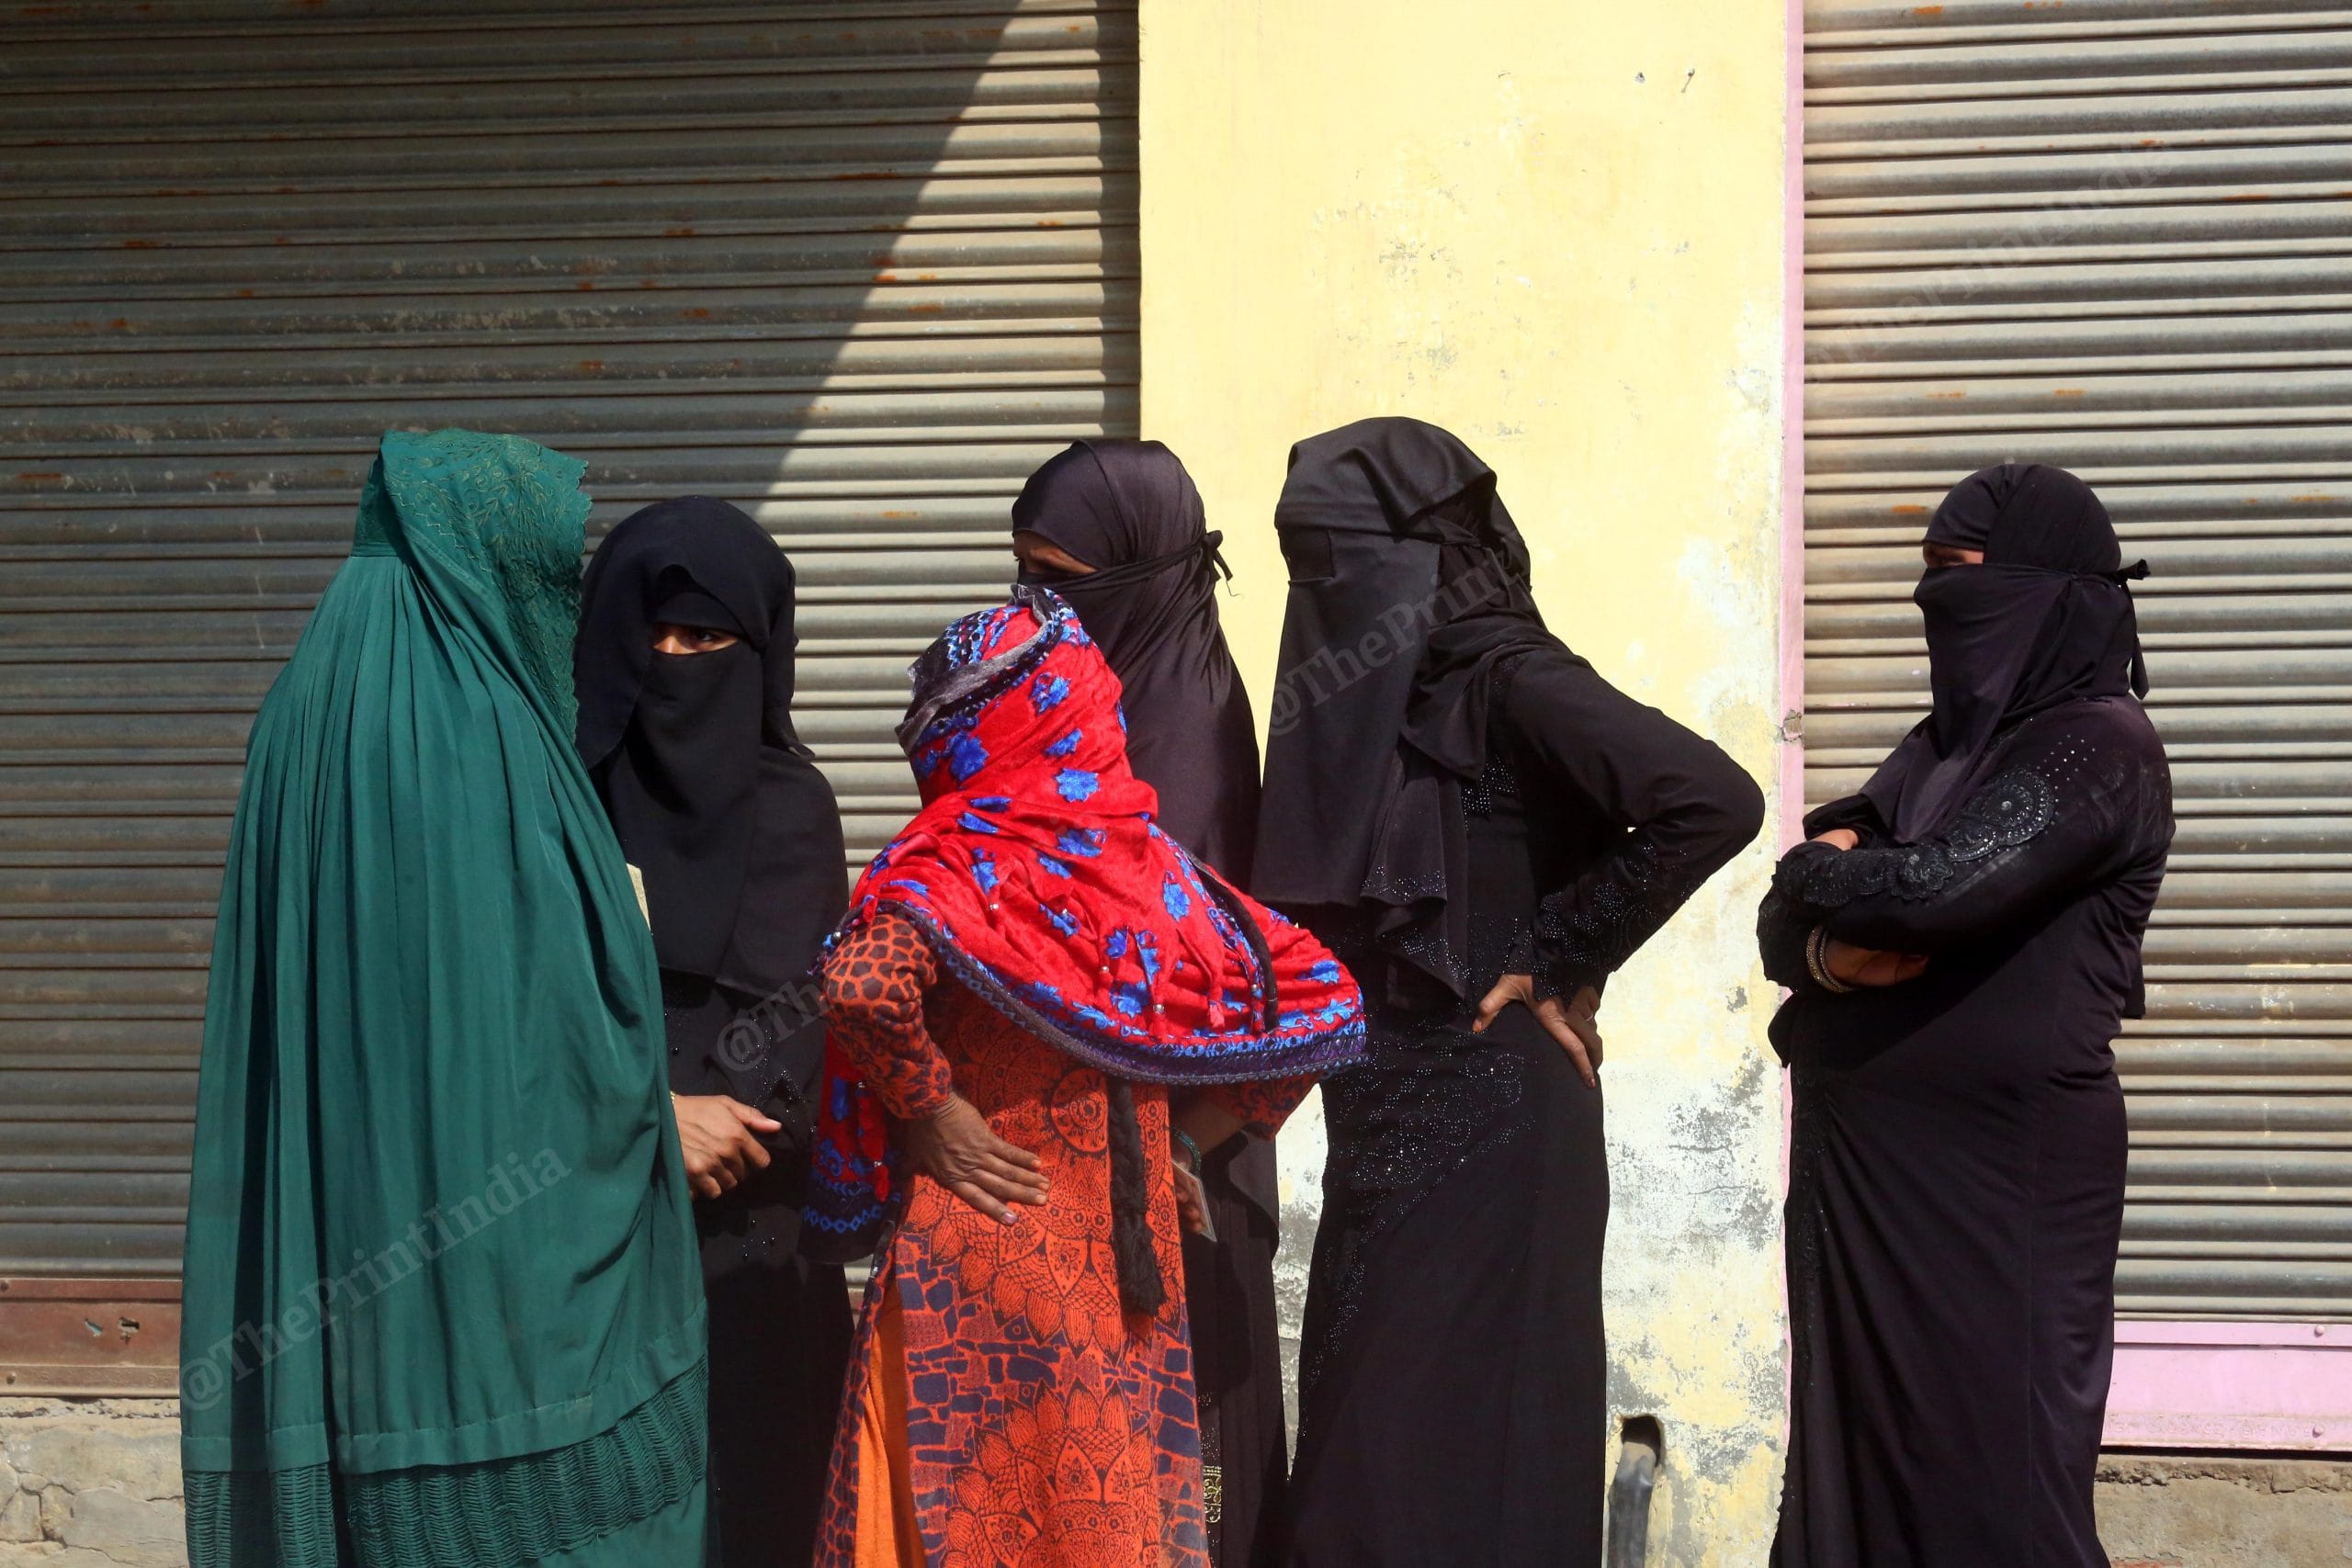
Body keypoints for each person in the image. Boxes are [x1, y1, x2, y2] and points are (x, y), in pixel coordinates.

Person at [180, 430, 707, 1567]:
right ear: (484, 561)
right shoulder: (484, 730)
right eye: (549, 571)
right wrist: (658, 1103)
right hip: (496, 1291)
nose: (557, 604)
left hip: (349, 1250)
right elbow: (561, 1024)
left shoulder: (302, 707)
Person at [1251, 417, 1765, 1565]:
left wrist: (1561, 952)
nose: (1316, 590)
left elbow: (1713, 800)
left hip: (1496, 1121)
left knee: (1464, 1467)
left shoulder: (1506, 678)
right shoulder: (1361, 707)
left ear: (1419, 555)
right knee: (1362, 1469)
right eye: (1298, 560)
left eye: (1335, 557)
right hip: (1382, 1120)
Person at [802, 585, 1369, 1566]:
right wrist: (1182, 1139)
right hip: (1115, 1271)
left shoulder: (951, 857)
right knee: (1096, 1524)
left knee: (962, 1520)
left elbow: (857, 982)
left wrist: (928, 1109)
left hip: (978, 1243)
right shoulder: (1152, 875)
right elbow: (1325, 1002)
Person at [1758, 463, 2172, 1567]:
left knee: (1994, 1483)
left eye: (1957, 580)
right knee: (1866, 1471)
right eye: (1925, 579)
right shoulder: (1941, 753)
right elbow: (1780, 931)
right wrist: (1830, 954)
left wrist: (1814, 869)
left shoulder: (2096, 746)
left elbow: (1937, 890)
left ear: (2049, 592)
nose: (1934, 608)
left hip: (1999, 1186)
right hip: (1868, 1182)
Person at [1009, 438, 1285, 1564]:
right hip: (1065, 1142)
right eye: (1022, 577)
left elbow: (1249, 990)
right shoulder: (1085, 711)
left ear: (1144, 575)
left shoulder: (1177, 739)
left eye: (1065, 585)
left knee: (1181, 1455)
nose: (1038, 611)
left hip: (1174, 1154)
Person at [575, 496, 855, 1566]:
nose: (674, 658)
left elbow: (808, 1033)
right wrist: (648, 1115)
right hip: (593, 1225)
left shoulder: (794, 808)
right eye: (652, 632)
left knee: (759, 1503)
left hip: (755, 1234)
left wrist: (724, 1123)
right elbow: (525, 1025)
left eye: (706, 637)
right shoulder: (559, 807)